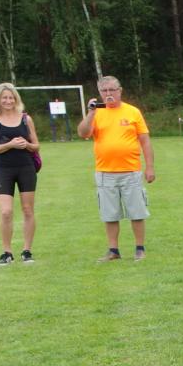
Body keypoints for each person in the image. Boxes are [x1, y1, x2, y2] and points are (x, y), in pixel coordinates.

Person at [76, 75, 155, 263]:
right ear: (100, 93)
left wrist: (150, 167)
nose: (108, 93)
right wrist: (91, 113)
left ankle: (139, 249)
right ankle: (113, 250)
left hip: (131, 171)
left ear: (120, 91)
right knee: (109, 214)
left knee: (137, 212)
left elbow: (145, 141)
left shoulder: (132, 112)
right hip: (105, 173)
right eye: (104, 91)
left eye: (112, 89)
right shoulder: (97, 112)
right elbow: (83, 133)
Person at [0, 82, 40, 265]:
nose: (8, 101)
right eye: (4, 98)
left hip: (26, 168)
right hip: (4, 170)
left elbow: (36, 145)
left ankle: (27, 250)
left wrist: (27, 145)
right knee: (6, 211)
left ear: (16, 99)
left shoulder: (26, 119)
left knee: (28, 210)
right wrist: (10, 145)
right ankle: (7, 252)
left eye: (11, 97)